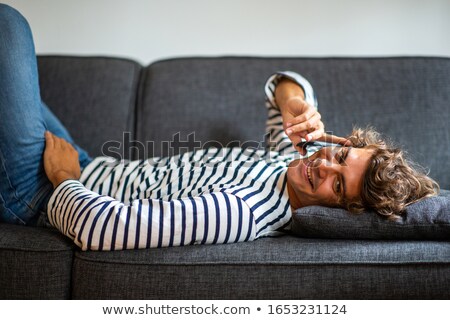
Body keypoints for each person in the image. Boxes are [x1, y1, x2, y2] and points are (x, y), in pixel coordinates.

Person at [0, 4, 438, 251]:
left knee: (9, 28)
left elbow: (103, 230)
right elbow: (284, 84)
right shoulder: (294, 158)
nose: (324, 167)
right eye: (340, 155)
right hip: (84, 163)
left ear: (340, 214)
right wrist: (295, 104)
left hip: (43, 193)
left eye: (339, 188)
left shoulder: (243, 211)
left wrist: (62, 178)